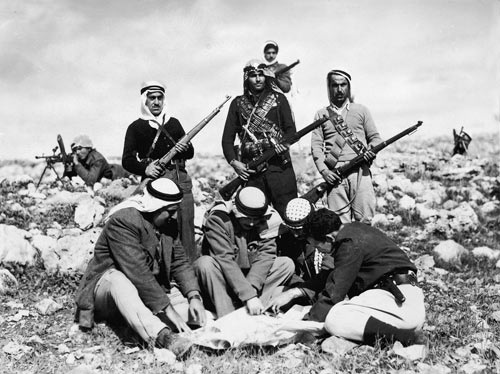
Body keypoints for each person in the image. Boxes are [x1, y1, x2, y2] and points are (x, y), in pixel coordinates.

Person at [74, 178, 207, 355]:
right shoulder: (123, 221)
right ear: (155, 207)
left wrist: (194, 295)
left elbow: (179, 261)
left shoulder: (167, 223)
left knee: (197, 315)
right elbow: (138, 272)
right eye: (170, 211)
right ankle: (163, 337)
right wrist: (167, 308)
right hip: (108, 291)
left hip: (147, 293)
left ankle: (138, 323)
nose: (174, 216)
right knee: (118, 280)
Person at [269, 208, 425, 347]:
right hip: (396, 295)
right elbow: (333, 276)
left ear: (329, 238)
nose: (320, 251)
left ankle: (407, 338)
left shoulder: (349, 244)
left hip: (400, 303)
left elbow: (334, 292)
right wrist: (295, 292)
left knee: (335, 318)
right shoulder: (354, 230)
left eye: (317, 246)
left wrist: (305, 326)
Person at [122, 81, 197, 262]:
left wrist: (184, 147)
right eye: (152, 98)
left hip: (180, 178)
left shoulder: (174, 123)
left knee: (186, 227)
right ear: (144, 101)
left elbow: (190, 152)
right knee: (160, 229)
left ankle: (190, 274)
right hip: (156, 182)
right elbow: (127, 160)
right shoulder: (135, 127)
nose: (156, 102)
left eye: (159, 98)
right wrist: (145, 168)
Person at [194, 186, 295, 318]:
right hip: (222, 278)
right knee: (205, 264)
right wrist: (248, 295)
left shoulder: (268, 220)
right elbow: (225, 259)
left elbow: (266, 255)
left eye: (256, 219)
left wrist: (251, 290)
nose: (252, 224)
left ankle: (254, 310)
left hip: (249, 278)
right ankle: (228, 316)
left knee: (286, 264)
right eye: (247, 218)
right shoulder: (219, 219)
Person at [222, 59, 298, 217]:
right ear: (246, 78)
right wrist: (234, 163)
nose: (258, 79)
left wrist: (284, 143)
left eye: (261, 75)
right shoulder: (237, 104)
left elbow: (291, 131)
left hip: (279, 168)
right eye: (253, 75)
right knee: (254, 220)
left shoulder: (279, 99)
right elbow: (227, 140)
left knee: (288, 216)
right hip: (253, 171)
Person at [311, 69, 382, 224]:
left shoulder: (361, 110)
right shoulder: (321, 114)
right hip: (335, 174)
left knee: (364, 220)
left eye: (343, 85)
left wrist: (371, 151)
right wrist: (324, 172)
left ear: (349, 87)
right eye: (335, 85)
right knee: (339, 224)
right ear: (329, 88)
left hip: (360, 171)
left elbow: (375, 138)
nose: (339, 89)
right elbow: (316, 146)